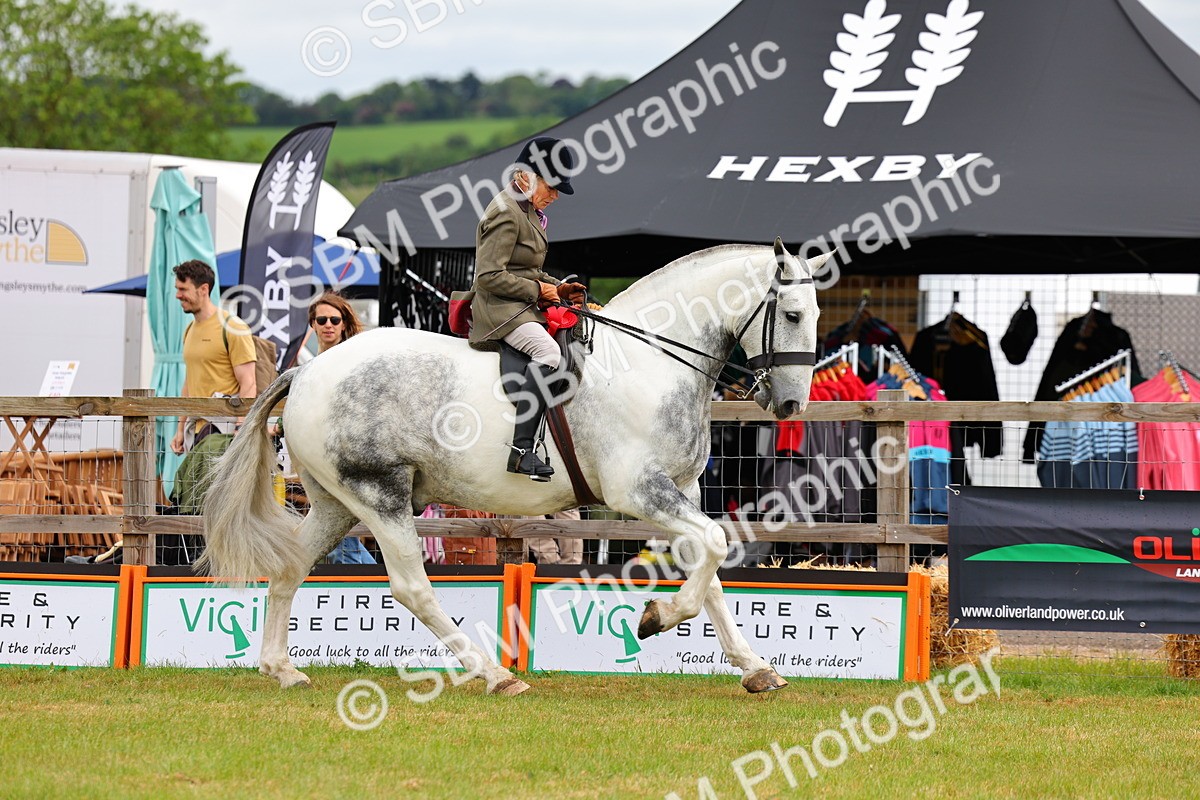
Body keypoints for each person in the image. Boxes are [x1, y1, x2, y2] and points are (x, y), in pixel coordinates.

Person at [468, 137, 587, 481]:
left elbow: (526, 270)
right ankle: (522, 451)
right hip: (500, 310)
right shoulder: (506, 213)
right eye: (552, 187)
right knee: (550, 354)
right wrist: (540, 290)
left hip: (519, 304)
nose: (556, 196)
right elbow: (489, 276)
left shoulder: (526, 210)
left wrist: (558, 288)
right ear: (528, 176)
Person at [300, 292, 377, 565]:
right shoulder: (307, 368)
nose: (328, 324)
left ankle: (374, 579)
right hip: (318, 455)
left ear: (344, 324)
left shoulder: (354, 361)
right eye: (322, 319)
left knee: (336, 527)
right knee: (333, 526)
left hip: (350, 454)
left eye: (335, 319)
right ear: (313, 325)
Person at [171, 259, 256, 456]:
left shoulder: (233, 327)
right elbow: (189, 383)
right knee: (195, 486)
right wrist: (180, 429)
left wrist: (240, 429)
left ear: (203, 289)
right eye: (177, 289)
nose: (178, 295)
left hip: (223, 430)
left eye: (183, 289)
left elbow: (249, 383)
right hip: (196, 430)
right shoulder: (189, 330)